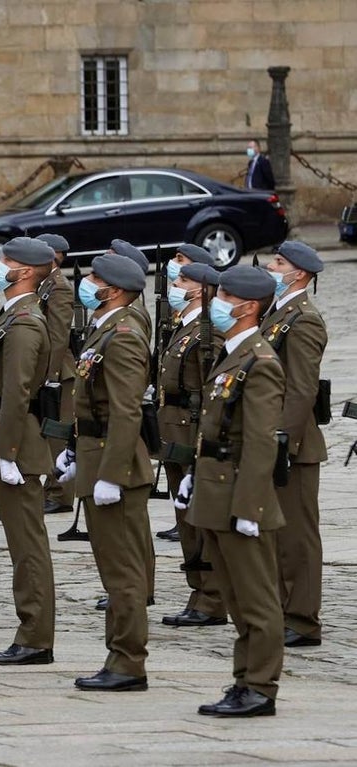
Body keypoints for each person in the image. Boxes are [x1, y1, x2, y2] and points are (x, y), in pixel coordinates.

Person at [182, 264, 285, 717]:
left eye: (224, 294)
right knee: (236, 596)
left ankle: (260, 687)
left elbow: (262, 443)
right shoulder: (232, 355)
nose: (215, 301)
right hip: (216, 491)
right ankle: (243, 681)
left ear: (247, 307)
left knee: (256, 599)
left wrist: (250, 505)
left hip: (240, 497)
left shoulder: (259, 362)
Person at [57, 254, 154, 691]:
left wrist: (112, 474)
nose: (88, 282)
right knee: (113, 569)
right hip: (95, 455)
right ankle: (118, 655)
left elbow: (125, 411)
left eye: (95, 278)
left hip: (116, 467)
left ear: (113, 290)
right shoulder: (107, 328)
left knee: (123, 571)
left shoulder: (125, 335)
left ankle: (128, 661)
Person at [0, 237, 57, 665]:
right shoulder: (12, 316)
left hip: (17, 449)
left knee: (28, 547)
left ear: (24, 272)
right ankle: (31, 631)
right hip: (6, 442)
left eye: (7, 260)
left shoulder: (24, 322)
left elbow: (17, 392)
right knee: (21, 544)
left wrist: (6, 451)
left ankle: (36, 637)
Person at [262, 241, 328, 647]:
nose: (271, 266)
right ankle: (283, 608)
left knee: (298, 538)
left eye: (279, 262)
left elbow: (301, 390)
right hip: (274, 439)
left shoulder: (303, 320)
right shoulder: (279, 313)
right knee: (277, 536)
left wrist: (281, 441)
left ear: (299, 274)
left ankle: (303, 620)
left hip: (295, 446)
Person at [158, 254, 228, 629]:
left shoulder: (207, 334)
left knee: (200, 518)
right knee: (185, 517)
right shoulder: (182, 326)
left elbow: (209, 391)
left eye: (183, 282)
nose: (175, 287)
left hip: (191, 432)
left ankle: (213, 597)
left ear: (201, 290)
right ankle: (198, 588)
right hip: (173, 432)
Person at [34, 233, 76, 516]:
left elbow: (58, 334)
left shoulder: (58, 287)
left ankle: (60, 494)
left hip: (58, 371)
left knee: (56, 435)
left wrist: (50, 374)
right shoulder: (44, 284)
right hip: (47, 367)